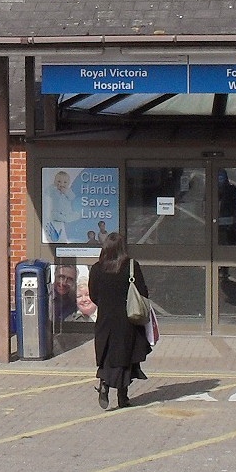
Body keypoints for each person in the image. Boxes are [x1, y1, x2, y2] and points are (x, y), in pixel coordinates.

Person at [86, 232, 152, 410]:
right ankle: (123, 397)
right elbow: (143, 292)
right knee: (126, 357)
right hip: (127, 321)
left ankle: (104, 383)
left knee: (107, 355)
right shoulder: (131, 266)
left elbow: (93, 295)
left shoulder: (97, 269)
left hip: (105, 320)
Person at [43, 169, 80, 242]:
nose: (61, 184)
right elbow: (46, 192)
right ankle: (62, 219)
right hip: (57, 211)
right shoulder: (53, 190)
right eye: (59, 181)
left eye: (65, 182)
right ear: (55, 182)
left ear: (68, 183)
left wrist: (66, 192)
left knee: (74, 215)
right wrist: (53, 187)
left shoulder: (68, 190)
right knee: (54, 215)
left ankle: (66, 218)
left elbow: (72, 197)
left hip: (67, 212)